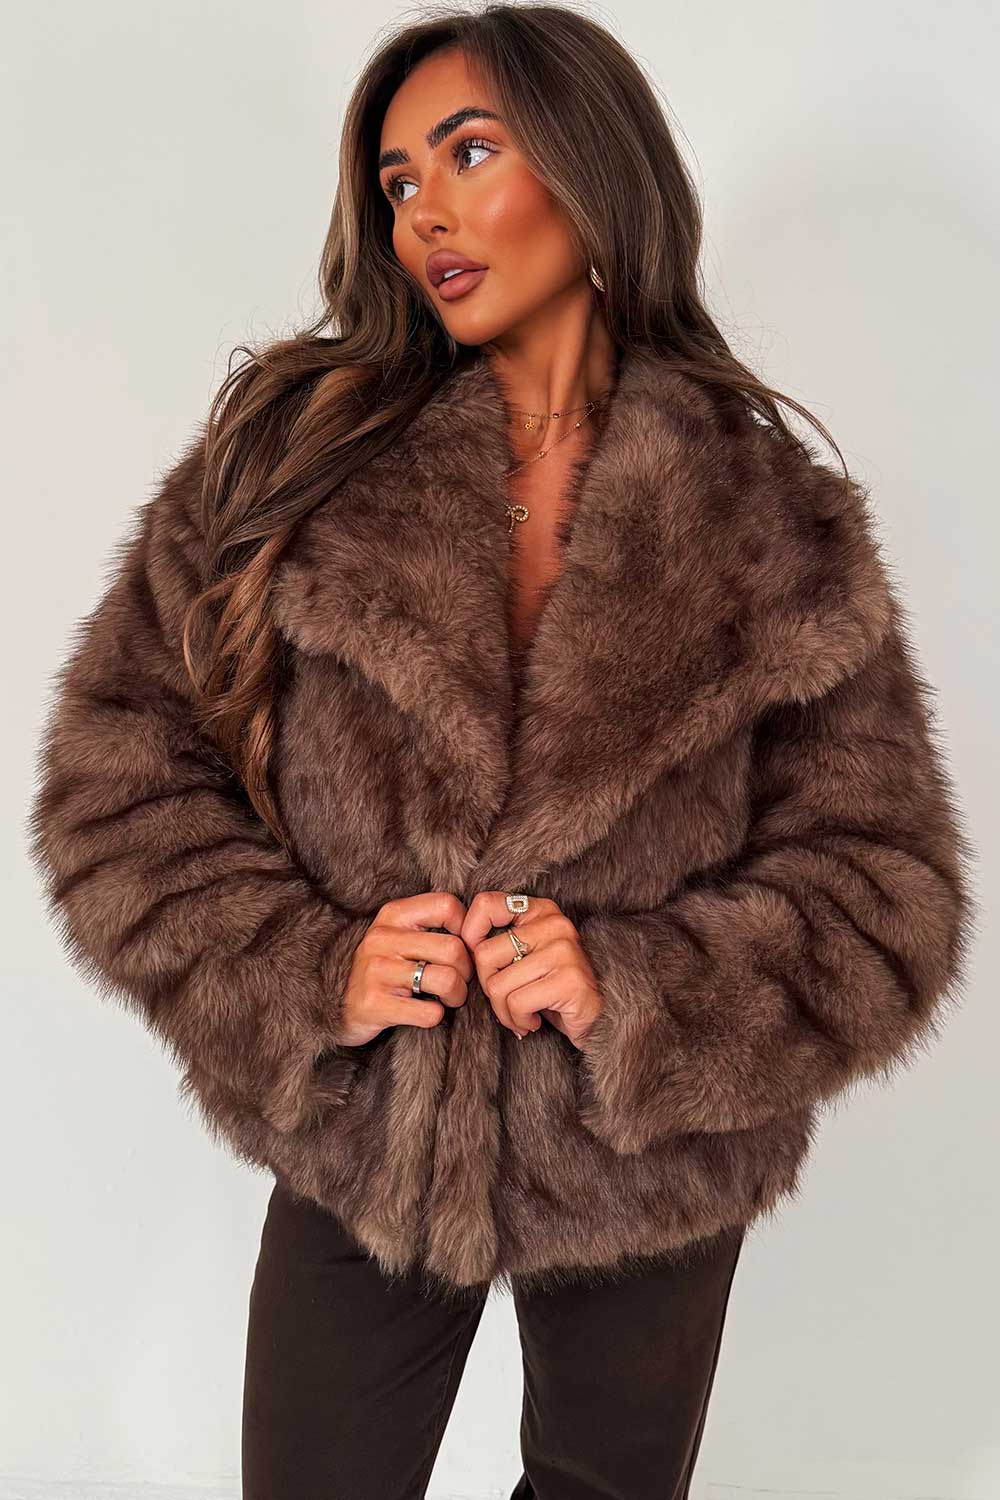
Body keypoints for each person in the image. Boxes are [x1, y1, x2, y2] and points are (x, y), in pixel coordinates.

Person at [27, 6, 975, 1498]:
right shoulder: (289, 471)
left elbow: (885, 887)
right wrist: (311, 969)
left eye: (469, 152)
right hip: (365, 1131)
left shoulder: (768, 524)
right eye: (400, 179)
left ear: (593, 170)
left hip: (646, 1147)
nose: (426, 213)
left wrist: (638, 988)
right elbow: (114, 791)